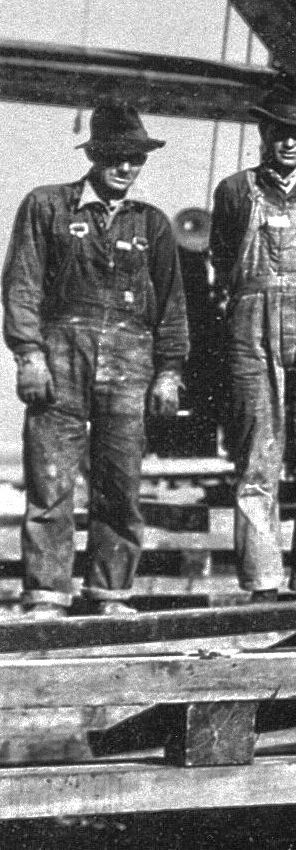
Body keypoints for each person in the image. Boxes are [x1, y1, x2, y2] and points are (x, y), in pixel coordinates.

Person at [4, 103, 188, 616]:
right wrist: (28, 354)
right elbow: (22, 285)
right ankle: (45, 593)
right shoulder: (48, 206)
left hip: (131, 363)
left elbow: (171, 305)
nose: (127, 167)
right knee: (51, 480)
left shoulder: (151, 225)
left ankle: (108, 591)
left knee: (120, 483)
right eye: (116, 156)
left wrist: (170, 371)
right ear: (94, 155)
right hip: (61, 357)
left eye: (136, 158)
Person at [208, 89, 296, 599]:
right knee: (256, 457)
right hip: (251, 327)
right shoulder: (234, 191)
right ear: (264, 134)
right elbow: (223, 265)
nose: (288, 142)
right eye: (279, 132)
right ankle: (262, 579)